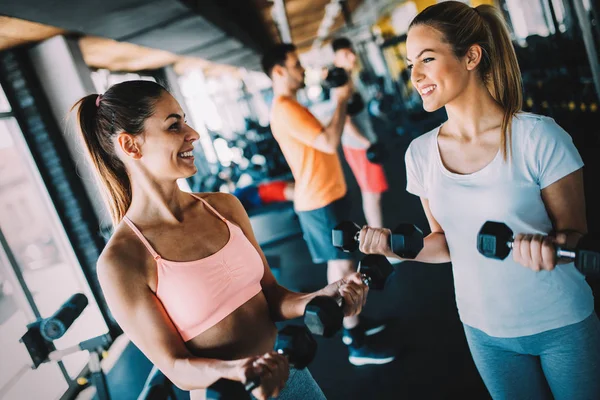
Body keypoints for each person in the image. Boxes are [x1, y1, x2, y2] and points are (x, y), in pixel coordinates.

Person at [357, 2, 600, 399]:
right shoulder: (420, 154)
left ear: (471, 56)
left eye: (427, 59)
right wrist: (394, 248)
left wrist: (550, 247)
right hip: (484, 331)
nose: (415, 76)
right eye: (410, 64)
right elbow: (445, 242)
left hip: (561, 324)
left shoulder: (538, 137)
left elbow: (576, 235)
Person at [71, 80, 371, 400]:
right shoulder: (122, 260)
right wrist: (236, 370)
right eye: (174, 126)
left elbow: (272, 296)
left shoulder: (224, 207)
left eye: (185, 119)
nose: (193, 134)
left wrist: (320, 296)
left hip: (288, 375)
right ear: (131, 146)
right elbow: (175, 366)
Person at [261, 44, 395, 365]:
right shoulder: (285, 108)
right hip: (319, 202)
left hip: (328, 196)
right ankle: (355, 342)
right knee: (345, 269)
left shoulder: (291, 105)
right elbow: (328, 141)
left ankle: (355, 327)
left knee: (340, 267)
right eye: (295, 65)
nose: (301, 70)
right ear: (278, 71)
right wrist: (340, 100)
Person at [332, 37, 389, 228]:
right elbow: (346, 123)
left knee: (374, 192)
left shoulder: (352, 79)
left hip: (365, 142)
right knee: (372, 193)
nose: (352, 56)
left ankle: (377, 239)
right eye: (345, 54)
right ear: (336, 59)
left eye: (351, 52)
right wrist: (367, 144)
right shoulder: (342, 86)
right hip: (359, 146)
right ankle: (378, 244)